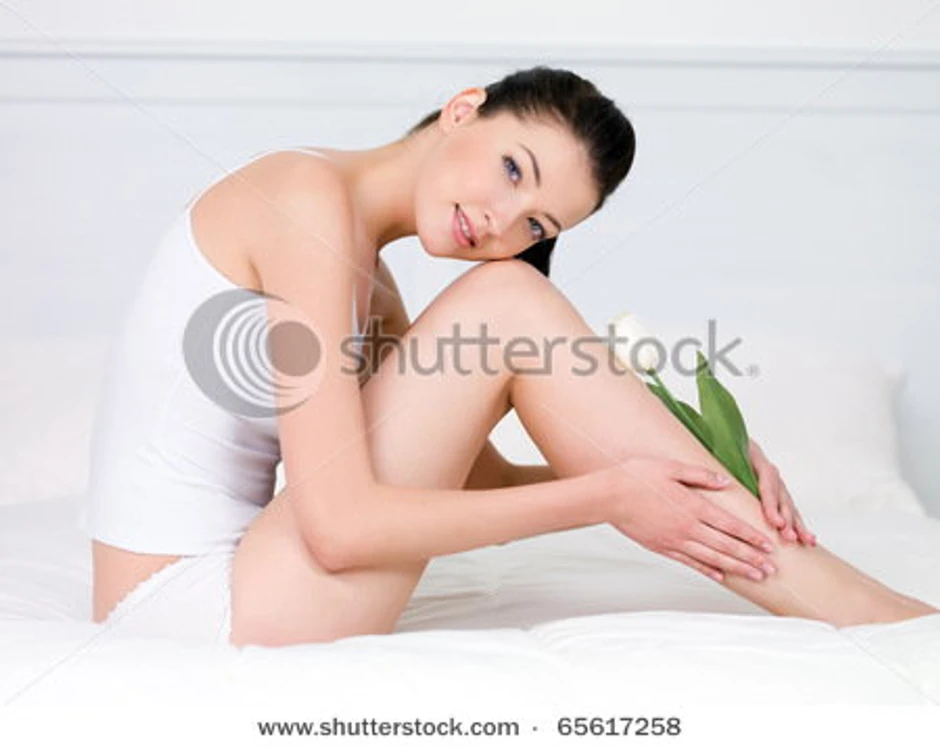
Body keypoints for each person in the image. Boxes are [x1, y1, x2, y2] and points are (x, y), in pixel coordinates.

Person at [81, 66, 937, 648]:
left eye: (536, 225)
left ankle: (876, 612)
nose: (502, 220)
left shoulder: (367, 277)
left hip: (243, 593)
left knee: (506, 300)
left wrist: (687, 479)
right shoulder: (304, 200)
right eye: (512, 169)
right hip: (193, 614)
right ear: (463, 108)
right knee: (505, 300)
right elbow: (339, 529)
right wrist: (610, 494)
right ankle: (887, 620)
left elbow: (477, 478)